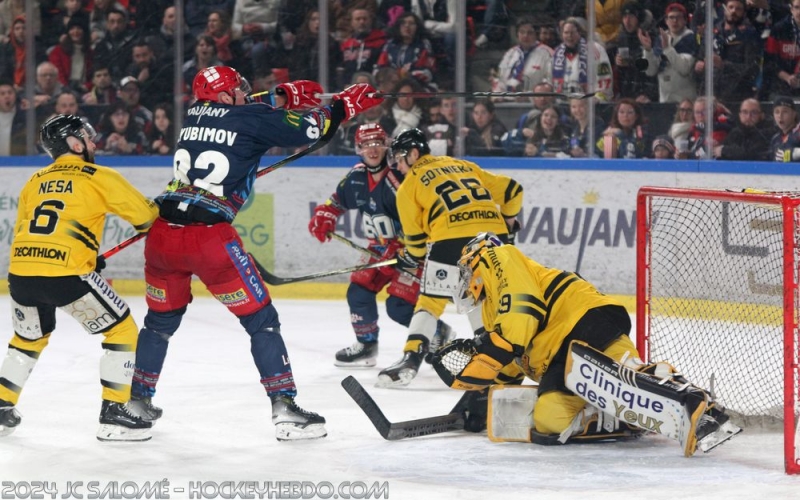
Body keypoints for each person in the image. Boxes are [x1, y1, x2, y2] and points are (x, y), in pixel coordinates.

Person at [126, 66, 382, 441]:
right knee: (261, 321)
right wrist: (344, 105)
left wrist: (281, 96)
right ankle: (285, 408)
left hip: (163, 237)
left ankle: (137, 402)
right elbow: (310, 130)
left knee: (158, 325)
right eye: (238, 89)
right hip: (209, 240)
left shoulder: (193, 114)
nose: (245, 94)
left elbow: (239, 112)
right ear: (225, 95)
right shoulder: (251, 118)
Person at [432, 232, 741, 455]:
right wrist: (481, 396)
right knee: (548, 423)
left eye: (465, 270)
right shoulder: (492, 310)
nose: (465, 279)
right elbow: (513, 357)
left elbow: (521, 310)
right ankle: (627, 412)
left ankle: (697, 404)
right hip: (558, 358)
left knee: (622, 375)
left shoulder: (496, 255)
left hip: (583, 320)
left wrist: (493, 351)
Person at [0, 114, 158, 440]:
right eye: (87, 138)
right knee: (122, 329)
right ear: (74, 144)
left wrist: (84, 253)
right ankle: (115, 414)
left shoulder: (34, 180)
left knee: (28, 338)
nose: (93, 144)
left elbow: (30, 230)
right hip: (67, 273)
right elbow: (146, 218)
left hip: (21, 273)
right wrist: (164, 206)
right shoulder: (100, 176)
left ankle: (1, 406)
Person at [376, 128, 523, 387]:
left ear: (414, 154)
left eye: (399, 159)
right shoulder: (464, 165)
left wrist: (409, 256)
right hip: (494, 240)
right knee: (483, 301)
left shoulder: (409, 185)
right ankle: (496, 364)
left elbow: (416, 245)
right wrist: (509, 223)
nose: (397, 166)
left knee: (430, 302)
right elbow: (513, 190)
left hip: (450, 240)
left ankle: (410, 359)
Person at [308, 123, 453, 367]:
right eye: (366, 144)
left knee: (399, 306)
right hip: (380, 248)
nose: (372, 150)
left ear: (386, 145)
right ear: (358, 148)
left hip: (412, 251)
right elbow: (337, 201)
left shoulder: (401, 178)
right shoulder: (356, 177)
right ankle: (367, 345)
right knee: (359, 290)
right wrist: (326, 214)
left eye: (377, 143)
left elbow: (425, 218)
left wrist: (409, 248)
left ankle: (438, 334)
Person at [769, 96, 800, 162]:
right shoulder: (775, 139)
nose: (780, 116)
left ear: (794, 114)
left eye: (785, 112)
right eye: (777, 112)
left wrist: (794, 154)